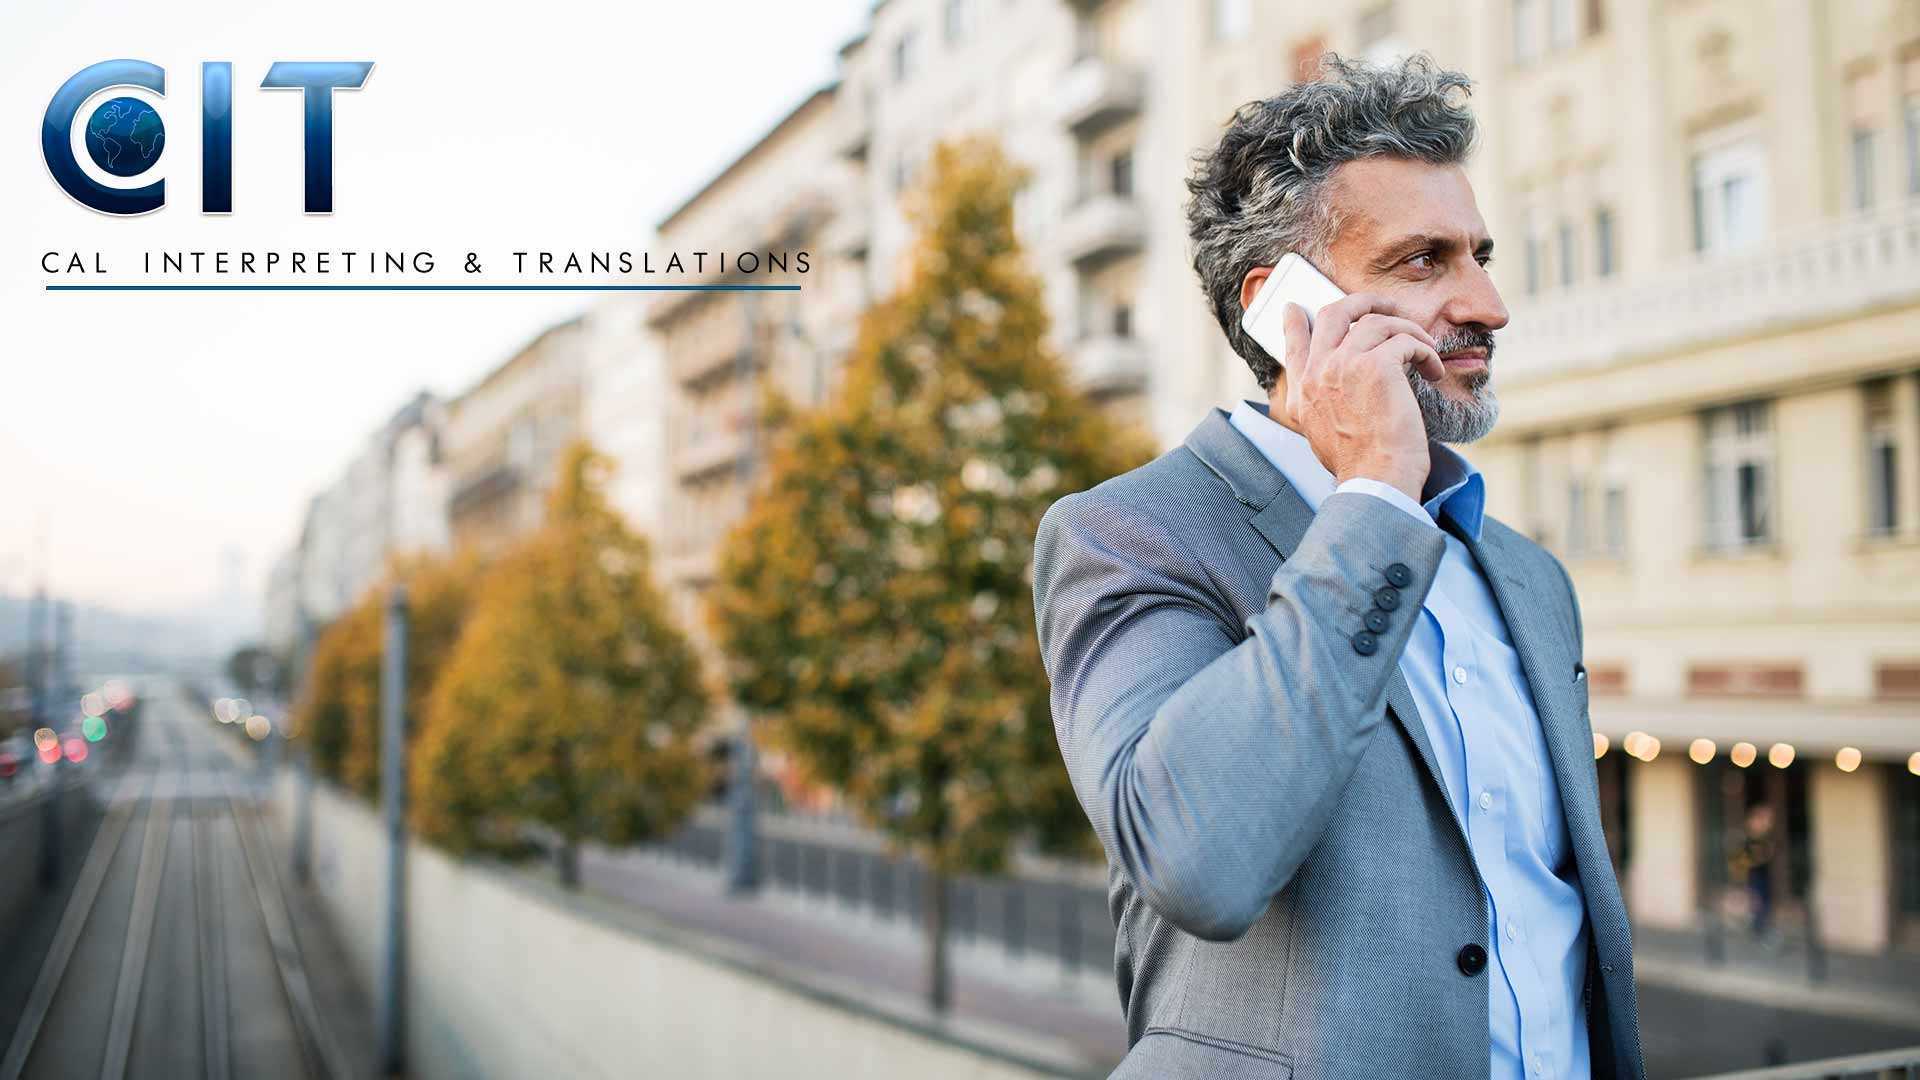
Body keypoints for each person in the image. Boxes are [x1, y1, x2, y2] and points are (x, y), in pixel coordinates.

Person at [1031, 54, 1643, 1079]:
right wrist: (1372, 498)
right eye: (1423, 261)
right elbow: (1199, 862)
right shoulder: (1128, 535)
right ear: (1285, 310)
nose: (1487, 303)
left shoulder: (1530, 577)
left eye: (1481, 255)